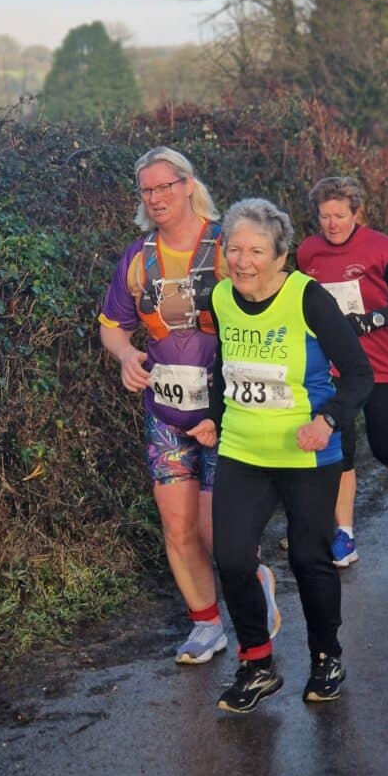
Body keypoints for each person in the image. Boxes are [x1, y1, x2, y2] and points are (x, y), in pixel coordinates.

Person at [188, 198, 373, 712]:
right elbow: (230, 368)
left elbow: (360, 374)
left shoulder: (307, 298)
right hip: (244, 450)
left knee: (308, 557)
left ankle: (326, 658)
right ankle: (258, 663)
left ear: (281, 256)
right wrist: (216, 419)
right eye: (234, 249)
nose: (242, 261)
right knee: (229, 556)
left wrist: (328, 420)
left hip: (307, 454)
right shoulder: (222, 298)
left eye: (256, 250)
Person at [99, 147, 279, 665]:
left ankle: (253, 581)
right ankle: (205, 625)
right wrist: (126, 355)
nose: (155, 198)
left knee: (214, 531)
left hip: (227, 413)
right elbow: (111, 325)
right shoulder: (138, 256)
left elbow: (272, 302)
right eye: (146, 190)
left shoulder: (227, 244)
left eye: (164, 187)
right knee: (177, 528)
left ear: (187, 185)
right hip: (167, 414)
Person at [296, 176, 388, 568]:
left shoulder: (384, 249)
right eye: (325, 216)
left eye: (340, 215)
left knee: (383, 443)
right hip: (332, 367)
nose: (332, 224)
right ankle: (345, 535)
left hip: (383, 360)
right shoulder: (307, 253)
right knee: (343, 449)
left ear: (357, 213)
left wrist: (373, 320)